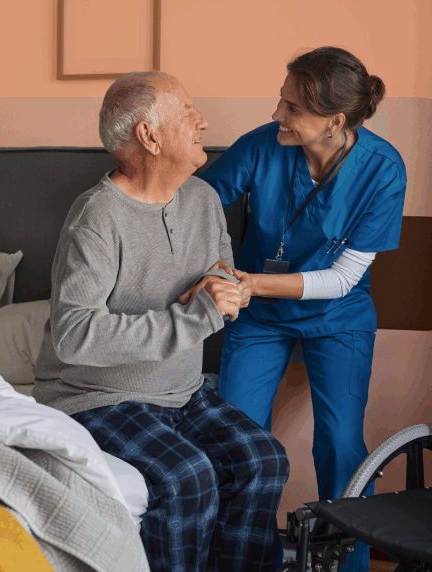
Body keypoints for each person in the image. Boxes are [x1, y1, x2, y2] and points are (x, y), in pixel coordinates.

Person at [32, 71, 290, 572]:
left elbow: (221, 282)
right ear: (149, 136)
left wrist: (221, 290)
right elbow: (75, 335)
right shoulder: (97, 218)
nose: (204, 122)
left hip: (182, 392)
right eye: (187, 112)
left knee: (263, 460)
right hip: (99, 398)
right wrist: (193, 314)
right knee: (187, 476)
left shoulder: (204, 201)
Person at [198, 46, 407, 572]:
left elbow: (341, 280)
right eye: (281, 101)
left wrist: (252, 284)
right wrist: (211, 264)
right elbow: (196, 203)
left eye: (291, 108)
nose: (277, 116)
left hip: (335, 316)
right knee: (238, 435)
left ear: (334, 122)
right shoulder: (263, 147)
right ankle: (246, 558)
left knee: (340, 443)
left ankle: (351, 565)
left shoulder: (382, 171)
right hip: (259, 312)